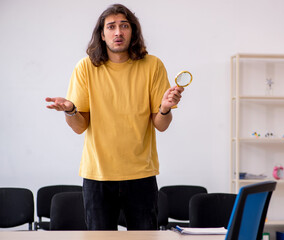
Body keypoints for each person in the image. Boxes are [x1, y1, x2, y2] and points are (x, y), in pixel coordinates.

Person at [45, 3, 184, 231]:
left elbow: (161, 125)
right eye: (111, 27)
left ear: (133, 31)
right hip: (98, 175)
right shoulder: (85, 68)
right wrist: (70, 110)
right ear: (102, 34)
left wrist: (165, 109)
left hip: (141, 174)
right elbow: (80, 127)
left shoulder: (153, 66)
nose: (118, 32)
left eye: (124, 26)